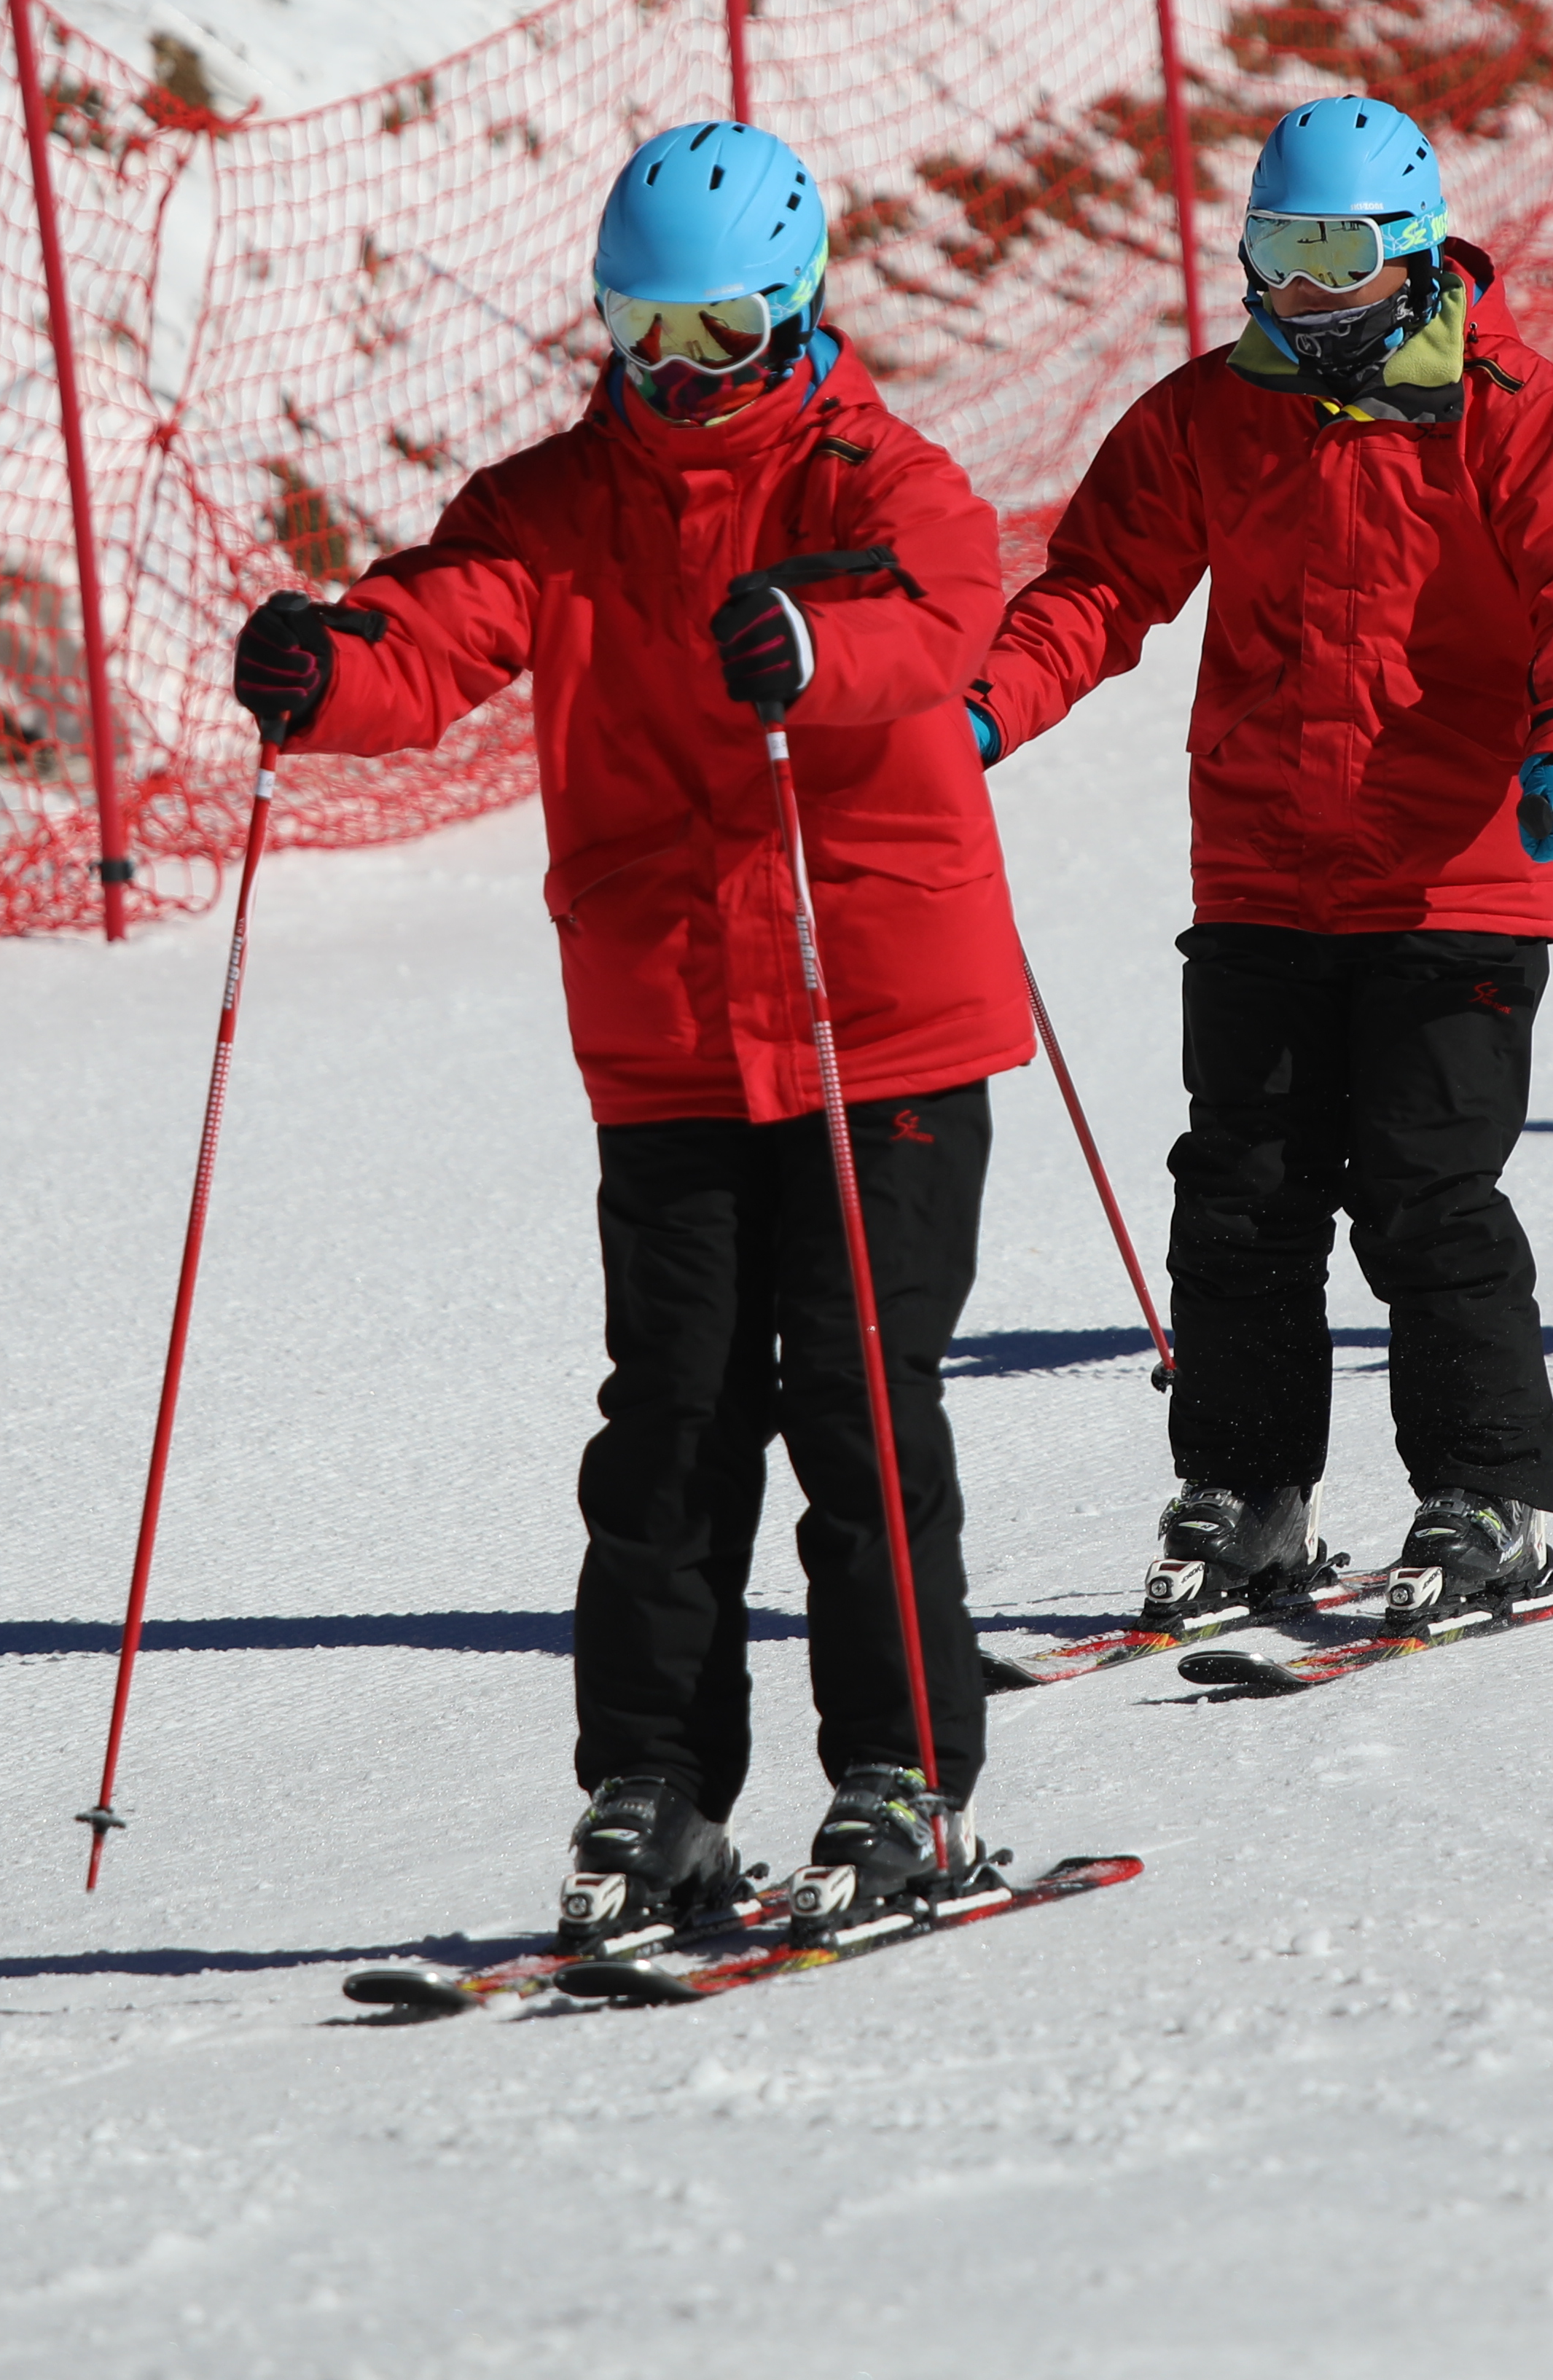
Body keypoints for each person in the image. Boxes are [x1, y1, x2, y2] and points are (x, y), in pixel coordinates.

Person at [228, 120, 1025, 1933]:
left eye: (718, 332)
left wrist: (816, 648)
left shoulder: (882, 478)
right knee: (669, 1425)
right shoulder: (556, 503)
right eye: (642, 330)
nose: (680, 372)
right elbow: (432, 633)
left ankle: (903, 1778)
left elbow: (939, 617)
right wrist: (325, 668)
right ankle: (654, 1791)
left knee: (858, 1405)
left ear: (797, 306)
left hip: (876, 1026)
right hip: (668, 1029)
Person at [967, 95, 1553, 1632]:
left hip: (1456, 877)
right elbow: (1098, 586)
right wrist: (984, 706)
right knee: (1243, 1198)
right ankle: (1248, 1495)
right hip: (1265, 870)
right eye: (1280, 252)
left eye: (1340, 257)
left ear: (1414, 250)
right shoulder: (1211, 414)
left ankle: (1488, 1494)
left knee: (1425, 1195)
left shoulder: (1513, 412)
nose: (1306, 289)